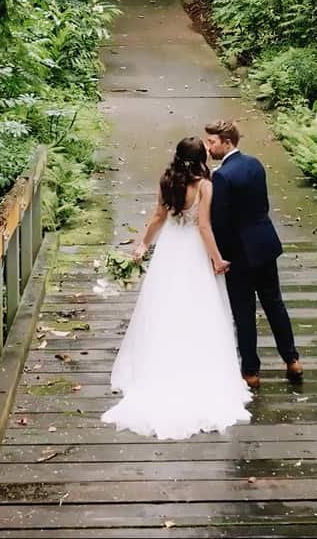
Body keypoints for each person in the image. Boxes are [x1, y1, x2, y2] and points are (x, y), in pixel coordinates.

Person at [101, 137, 252, 440]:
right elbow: (204, 227)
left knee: (164, 306)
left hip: (170, 248)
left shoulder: (167, 180)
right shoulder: (205, 186)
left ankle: (158, 365)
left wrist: (144, 244)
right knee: (199, 309)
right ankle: (199, 368)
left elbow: (158, 217)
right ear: (200, 160)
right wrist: (217, 258)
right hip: (194, 252)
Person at [203, 120, 302, 390]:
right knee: (274, 303)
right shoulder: (256, 164)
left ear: (227, 142)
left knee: (244, 312)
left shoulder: (221, 176)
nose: (208, 148)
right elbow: (263, 204)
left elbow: (220, 222)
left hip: (239, 252)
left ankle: (251, 371)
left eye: (212, 142)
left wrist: (217, 256)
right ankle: (292, 359)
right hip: (265, 243)